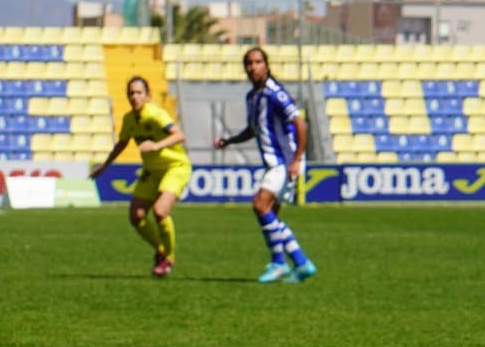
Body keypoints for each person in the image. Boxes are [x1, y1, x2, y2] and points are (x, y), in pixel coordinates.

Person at [213, 47, 316, 283]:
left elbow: (301, 124)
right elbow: (253, 129)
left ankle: (280, 263)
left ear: (266, 65)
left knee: (260, 205)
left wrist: (297, 158)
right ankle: (301, 263)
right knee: (271, 217)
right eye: (249, 63)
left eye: (258, 62)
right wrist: (229, 141)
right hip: (277, 163)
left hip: (284, 161)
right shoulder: (252, 97)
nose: (253, 67)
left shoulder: (274, 93)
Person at [90, 76, 190, 277]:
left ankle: (168, 258)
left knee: (160, 211)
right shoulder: (129, 119)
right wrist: (105, 166)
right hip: (152, 171)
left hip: (175, 167)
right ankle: (161, 249)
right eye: (131, 93)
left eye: (139, 93)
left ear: (147, 95)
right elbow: (122, 144)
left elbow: (180, 135)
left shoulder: (155, 114)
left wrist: (157, 145)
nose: (134, 97)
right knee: (136, 216)